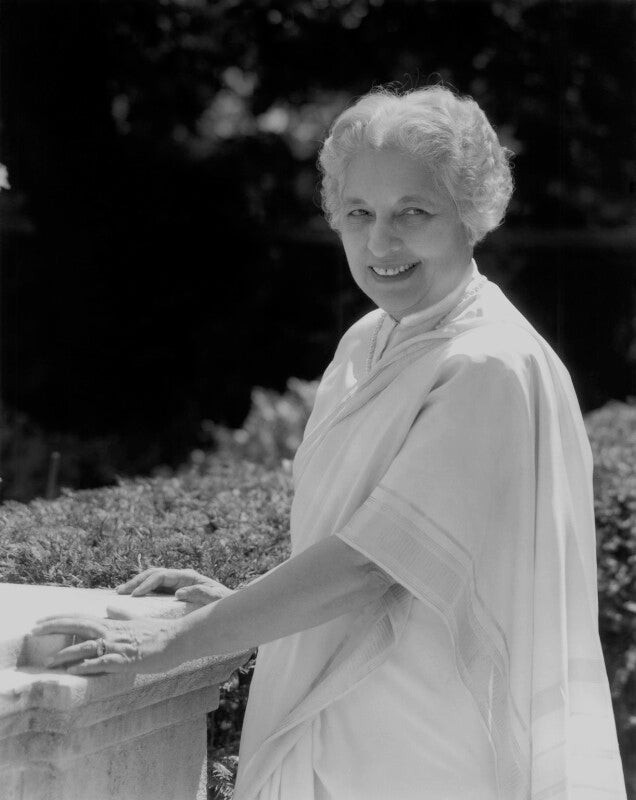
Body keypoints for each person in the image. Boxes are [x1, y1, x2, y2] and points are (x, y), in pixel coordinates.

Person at [32, 86, 627, 800]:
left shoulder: (489, 365)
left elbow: (370, 565)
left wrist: (168, 644)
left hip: (424, 754)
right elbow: (369, 542)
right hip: (344, 727)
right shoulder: (367, 341)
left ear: (472, 214)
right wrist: (242, 604)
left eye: (414, 212)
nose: (381, 243)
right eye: (359, 214)